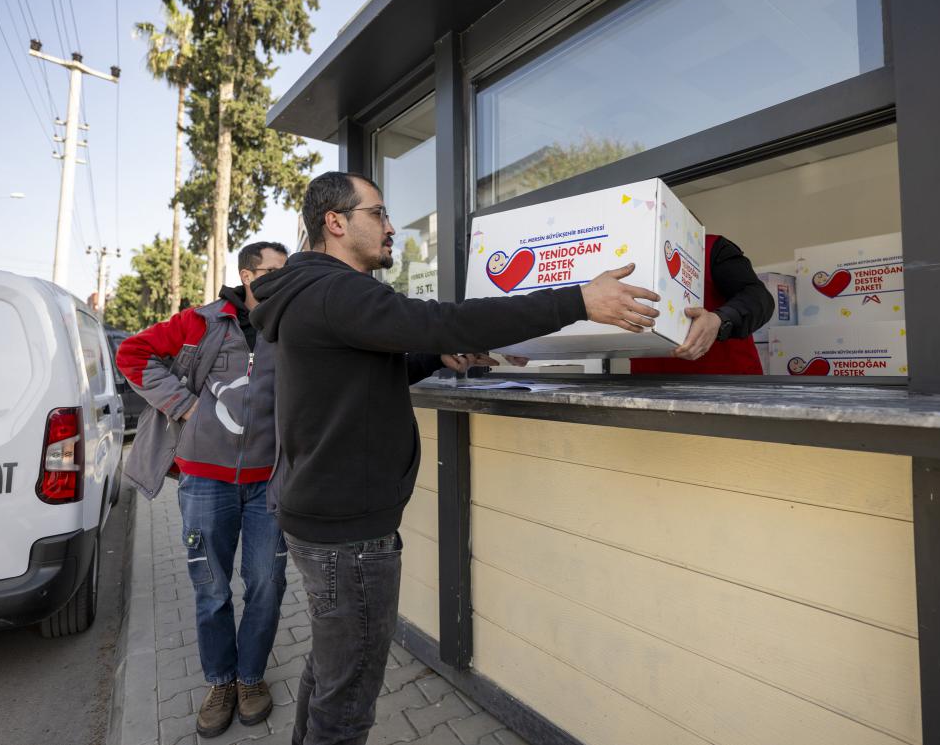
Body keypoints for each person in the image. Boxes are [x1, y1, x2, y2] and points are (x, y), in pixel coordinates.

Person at [250, 171, 661, 745]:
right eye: (378, 213)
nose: (391, 227)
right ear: (335, 222)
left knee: (329, 674)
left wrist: (437, 357)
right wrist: (579, 300)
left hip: (323, 519)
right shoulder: (337, 291)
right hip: (347, 536)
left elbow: (363, 376)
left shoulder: (313, 292)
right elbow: (445, 320)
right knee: (345, 702)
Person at [116, 242, 290, 738]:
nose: (282, 280)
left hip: (269, 484)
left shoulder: (293, 327)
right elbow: (132, 353)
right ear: (247, 275)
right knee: (211, 589)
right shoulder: (202, 321)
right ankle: (220, 681)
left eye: (288, 272)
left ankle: (250, 678)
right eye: (273, 272)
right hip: (205, 483)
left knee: (267, 585)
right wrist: (185, 406)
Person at [631, 234, 775, 374]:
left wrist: (720, 319)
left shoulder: (710, 248)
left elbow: (759, 297)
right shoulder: (627, 255)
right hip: (646, 381)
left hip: (726, 378)